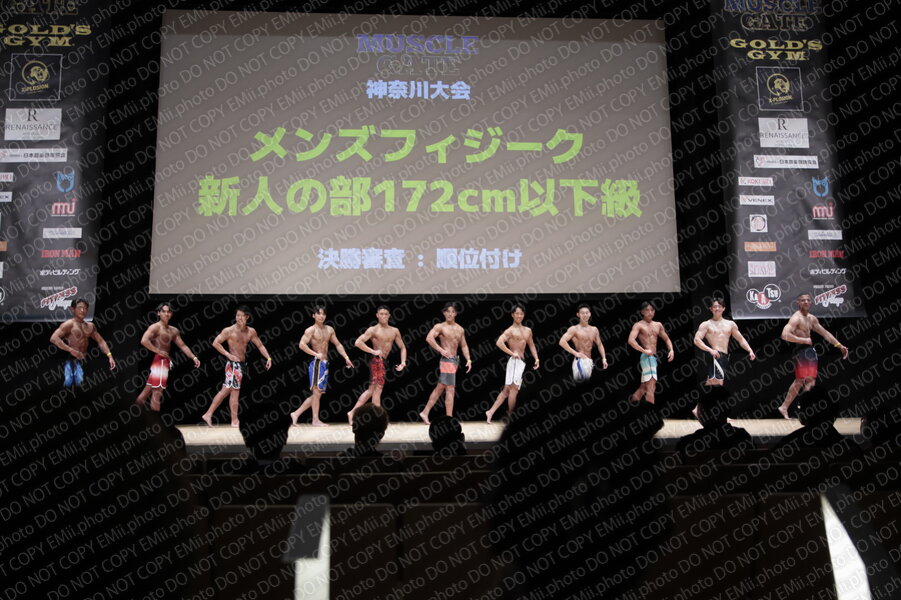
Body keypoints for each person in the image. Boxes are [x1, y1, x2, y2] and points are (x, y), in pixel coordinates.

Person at [778, 293, 849, 419]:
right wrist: (803, 340)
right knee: (800, 380)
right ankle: (786, 407)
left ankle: (806, 408)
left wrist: (839, 345)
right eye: (803, 300)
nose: (806, 302)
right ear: (798, 303)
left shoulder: (812, 319)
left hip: (810, 351)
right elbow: (785, 335)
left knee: (811, 380)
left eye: (808, 300)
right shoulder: (796, 318)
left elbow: (825, 333)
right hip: (800, 350)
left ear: (811, 302)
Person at [201, 306, 272, 427]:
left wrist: (268, 358)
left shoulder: (251, 331)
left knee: (230, 392)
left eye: (242, 316)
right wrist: (228, 355)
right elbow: (215, 343)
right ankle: (229, 419)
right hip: (233, 365)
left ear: (247, 317)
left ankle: (217, 416)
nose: (239, 318)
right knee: (230, 392)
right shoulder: (229, 330)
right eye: (237, 315)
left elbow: (260, 345)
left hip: (241, 365)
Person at [691, 297, 756, 417]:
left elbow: (741, 339)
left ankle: (698, 408)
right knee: (717, 384)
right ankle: (712, 412)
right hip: (715, 355)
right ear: (710, 308)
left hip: (725, 356)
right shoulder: (706, 324)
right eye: (714, 306)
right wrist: (710, 350)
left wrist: (750, 350)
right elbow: (696, 340)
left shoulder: (730, 324)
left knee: (712, 383)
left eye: (719, 306)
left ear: (724, 308)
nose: (717, 308)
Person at [291, 306, 353, 426]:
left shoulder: (329, 329)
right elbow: (302, 344)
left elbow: (338, 344)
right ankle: (315, 420)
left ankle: (296, 413)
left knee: (317, 394)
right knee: (317, 393)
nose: (321, 316)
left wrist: (346, 358)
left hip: (324, 364)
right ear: (313, 315)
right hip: (317, 363)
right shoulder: (310, 330)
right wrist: (315, 354)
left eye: (323, 314)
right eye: (319, 314)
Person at [135, 303, 201, 411]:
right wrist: (158, 351)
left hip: (163, 362)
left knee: (146, 393)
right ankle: (154, 421)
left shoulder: (173, 330)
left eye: (168, 311)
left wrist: (194, 357)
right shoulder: (155, 327)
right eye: (164, 311)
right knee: (157, 393)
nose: (166, 314)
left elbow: (183, 346)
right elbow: (144, 340)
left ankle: (132, 414)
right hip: (160, 362)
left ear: (171, 314)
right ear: (158, 313)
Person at [347, 305, 407, 424]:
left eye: (386, 314)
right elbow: (358, 342)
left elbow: (403, 347)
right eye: (381, 314)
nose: (383, 316)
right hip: (376, 360)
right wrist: (373, 351)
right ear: (377, 315)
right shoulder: (373, 330)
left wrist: (403, 362)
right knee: (376, 389)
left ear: (389, 316)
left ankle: (364, 414)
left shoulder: (394, 330)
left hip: (384, 361)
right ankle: (368, 415)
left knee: (374, 390)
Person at [420, 302, 472, 425]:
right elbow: (429, 338)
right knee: (450, 389)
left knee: (440, 387)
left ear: (456, 313)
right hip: (447, 360)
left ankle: (425, 412)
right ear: (444, 312)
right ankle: (449, 419)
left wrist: (469, 359)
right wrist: (441, 350)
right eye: (447, 311)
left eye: (452, 311)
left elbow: (464, 345)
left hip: (455, 360)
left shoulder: (460, 329)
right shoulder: (440, 327)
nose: (450, 314)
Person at [486, 305, 539, 423]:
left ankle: (490, 412)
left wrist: (536, 358)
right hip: (514, 362)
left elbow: (531, 345)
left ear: (524, 315)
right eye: (517, 313)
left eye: (521, 313)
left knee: (507, 390)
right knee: (513, 390)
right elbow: (499, 342)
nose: (519, 316)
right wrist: (512, 353)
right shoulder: (510, 330)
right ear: (512, 315)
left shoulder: (528, 330)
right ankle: (511, 417)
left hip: (521, 363)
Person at [49, 298, 116, 388]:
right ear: (73, 309)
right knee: (68, 386)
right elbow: (54, 338)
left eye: (85, 308)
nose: (82, 310)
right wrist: (71, 350)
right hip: (70, 359)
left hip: (84, 360)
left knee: (83, 387)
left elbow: (101, 341)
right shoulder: (69, 324)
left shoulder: (90, 326)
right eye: (80, 307)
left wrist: (110, 356)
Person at [627, 301, 674, 405]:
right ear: (642, 312)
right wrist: (643, 350)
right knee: (651, 386)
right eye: (647, 310)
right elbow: (631, 340)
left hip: (653, 358)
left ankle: (630, 405)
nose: (650, 312)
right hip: (647, 357)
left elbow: (666, 339)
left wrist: (671, 350)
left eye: (652, 310)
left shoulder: (658, 325)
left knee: (644, 387)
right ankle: (651, 412)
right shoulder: (638, 325)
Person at [558, 304, 608, 383]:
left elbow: (600, 344)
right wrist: (575, 353)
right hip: (580, 361)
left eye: (587, 313)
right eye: (582, 313)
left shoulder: (594, 329)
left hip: (589, 361)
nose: (585, 315)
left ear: (590, 314)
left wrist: (604, 359)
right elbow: (562, 341)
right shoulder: (574, 329)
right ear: (578, 314)